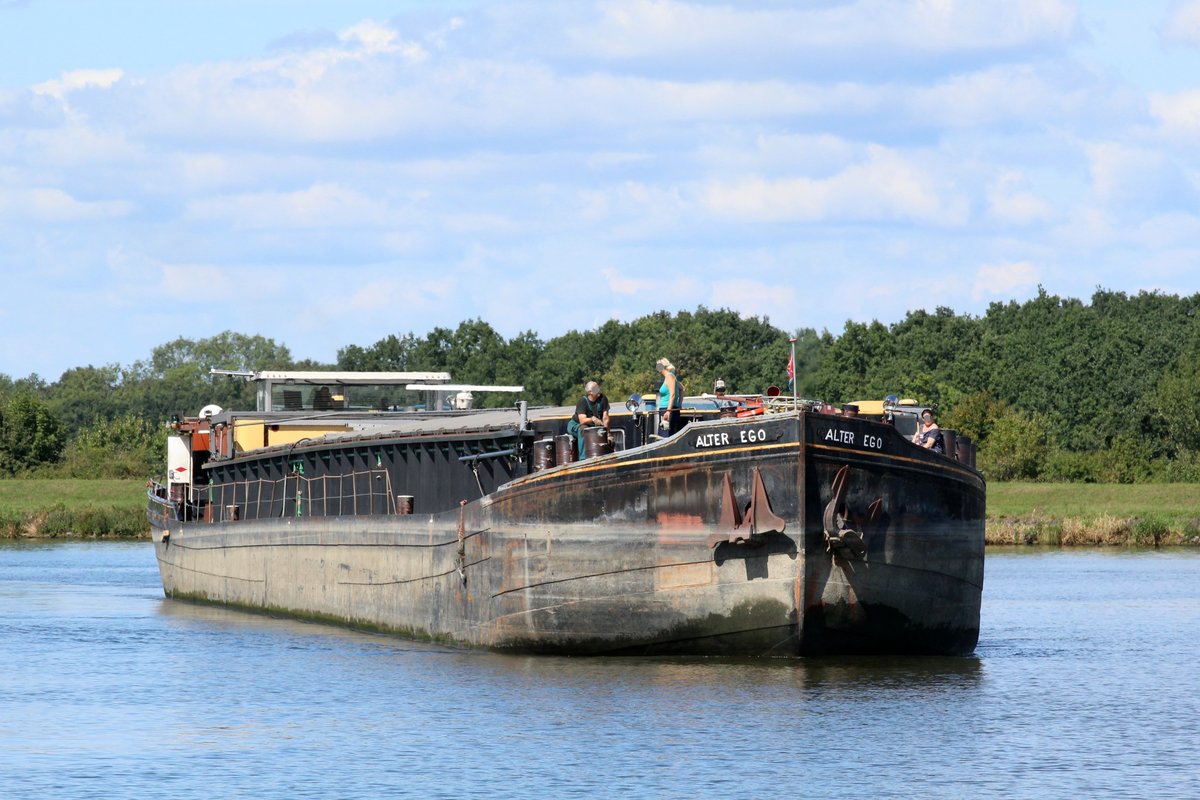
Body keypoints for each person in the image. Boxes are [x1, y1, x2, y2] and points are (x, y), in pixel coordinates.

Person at [567, 380, 610, 460]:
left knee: (602, 434)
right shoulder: (582, 401)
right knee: (583, 429)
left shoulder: (603, 399)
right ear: (590, 392)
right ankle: (583, 459)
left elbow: (605, 418)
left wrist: (608, 433)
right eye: (596, 389)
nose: (599, 390)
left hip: (591, 426)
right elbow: (582, 420)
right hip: (576, 425)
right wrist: (593, 419)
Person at [655, 358, 685, 437]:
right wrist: (679, 404)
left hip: (667, 410)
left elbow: (672, 394)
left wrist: (668, 411)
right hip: (665, 409)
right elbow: (682, 389)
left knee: (665, 435)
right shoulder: (670, 377)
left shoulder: (670, 377)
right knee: (663, 434)